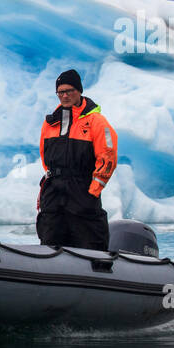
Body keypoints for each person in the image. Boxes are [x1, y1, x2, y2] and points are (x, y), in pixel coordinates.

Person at [36, 69, 117, 250]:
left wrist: (93, 191)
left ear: (79, 90)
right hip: (54, 189)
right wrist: (52, 179)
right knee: (50, 234)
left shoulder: (97, 122)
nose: (65, 96)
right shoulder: (50, 123)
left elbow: (108, 157)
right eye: (60, 92)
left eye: (69, 91)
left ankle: (94, 273)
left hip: (82, 188)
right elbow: (45, 155)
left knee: (89, 236)